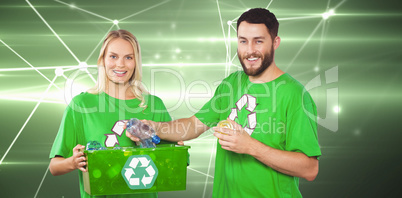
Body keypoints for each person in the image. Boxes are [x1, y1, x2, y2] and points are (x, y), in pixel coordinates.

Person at [127, 8, 321, 197]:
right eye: (243, 41)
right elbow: (194, 125)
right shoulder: (231, 84)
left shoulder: (295, 94)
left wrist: (250, 146)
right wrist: (154, 127)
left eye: (258, 41)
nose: (250, 50)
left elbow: (309, 169)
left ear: (275, 42)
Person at [49, 29, 174, 198]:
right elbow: (54, 167)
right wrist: (73, 162)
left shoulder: (154, 105)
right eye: (113, 56)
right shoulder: (81, 105)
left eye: (128, 57)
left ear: (136, 62)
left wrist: (172, 150)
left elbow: (174, 161)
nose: (120, 64)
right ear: (103, 60)